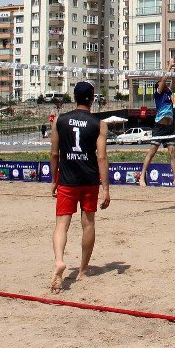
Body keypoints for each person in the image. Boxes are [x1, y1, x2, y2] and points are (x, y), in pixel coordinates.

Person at [49, 81, 110, 294]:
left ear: (74, 97)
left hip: (67, 179)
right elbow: (101, 157)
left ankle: (59, 260)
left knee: (61, 225)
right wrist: (106, 188)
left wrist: (54, 179)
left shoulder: (59, 120)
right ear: (92, 98)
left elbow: (55, 153)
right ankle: (82, 270)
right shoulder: (99, 124)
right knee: (88, 224)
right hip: (89, 179)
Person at [138, 56, 175, 188]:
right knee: (152, 152)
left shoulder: (168, 92)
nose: (165, 85)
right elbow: (164, 80)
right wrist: (169, 65)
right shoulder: (158, 94)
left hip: (169, 127)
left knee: (173, 152)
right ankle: (142, 177)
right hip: (159, 126)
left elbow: (173, 79)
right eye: (162, 85)